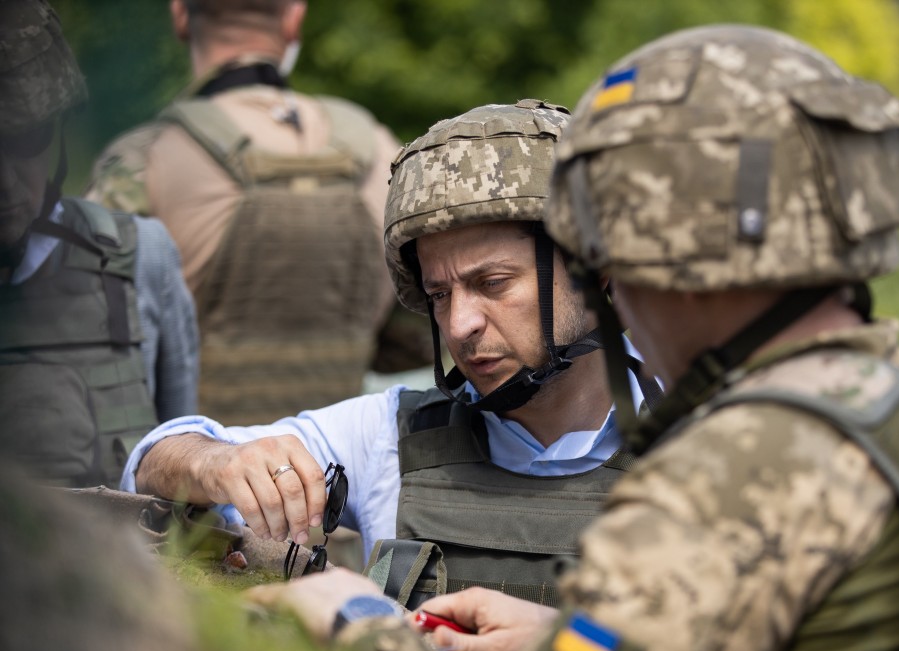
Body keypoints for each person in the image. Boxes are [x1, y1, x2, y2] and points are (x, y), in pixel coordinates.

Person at [249, 25, 899, 651]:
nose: (612, 287)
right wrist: (577, 637)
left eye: (610, 249)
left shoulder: (728, 478)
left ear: (674, 256)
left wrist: (361, 626)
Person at [124, 100, 661, 608]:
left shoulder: (708, 438)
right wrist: (213, 462)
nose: (460, 324)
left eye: (493, 283)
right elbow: (148, 464)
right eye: (439, 295)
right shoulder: (388, 436)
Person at [85, 0, 432, 426]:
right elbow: (420, 328)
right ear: (294, 19)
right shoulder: (380, 150)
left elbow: (83, 340)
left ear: (179, 15)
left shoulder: (145, 159)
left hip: (185, 479)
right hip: (336, 477)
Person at [0, 0, 198, 487]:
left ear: (60, 133)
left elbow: (181, 459)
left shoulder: (138, 257)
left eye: (26, 140)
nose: (5, 181)